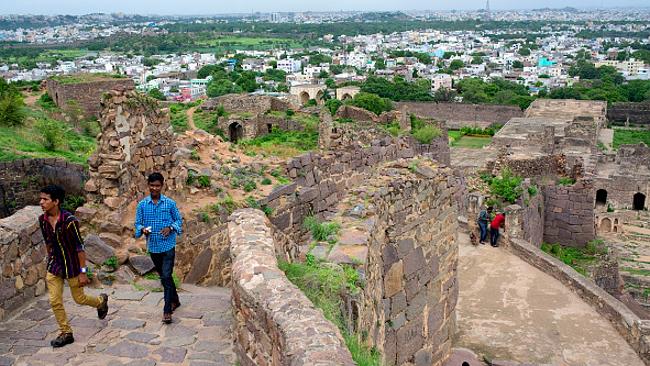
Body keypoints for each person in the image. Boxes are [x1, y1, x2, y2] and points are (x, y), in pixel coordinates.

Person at [38, 185, 109, 348]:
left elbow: (79, 248)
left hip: (72, 266)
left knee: (79, 299)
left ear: (55, 202)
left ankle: (100, 301)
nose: (41, 202)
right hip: (55, 266)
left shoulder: (70, 222)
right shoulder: (42, 220)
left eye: (45, 199)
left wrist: (83, 272)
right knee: (55, 300)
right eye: (40, 199)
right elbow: (48, 242)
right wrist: (49, 261)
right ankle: (66, 332)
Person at [134, 172, 183, 324]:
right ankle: (175, 300)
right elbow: (137, 224)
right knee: (164, 277)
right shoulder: (142, 205)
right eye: (152, 185)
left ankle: (167, 310)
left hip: (168, 245)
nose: (154, 188)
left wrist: (170, 227)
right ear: (148, 186)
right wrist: (142, 230)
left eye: (157, 185)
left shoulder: (170, 204)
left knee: (166, 276)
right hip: (154, 247)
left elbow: (179, 221)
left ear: (162, 186)